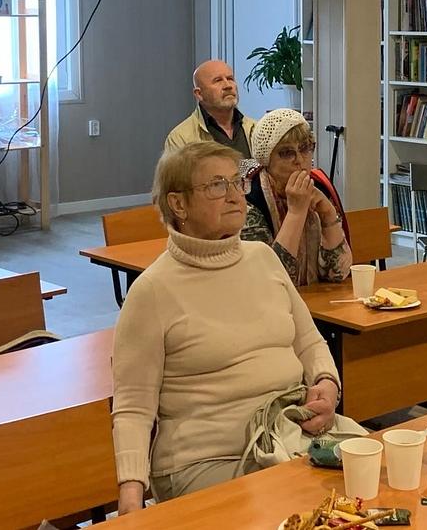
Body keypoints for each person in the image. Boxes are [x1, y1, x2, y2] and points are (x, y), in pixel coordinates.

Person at [113, 142, 342, 513]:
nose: (236, 196)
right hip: (208, 459)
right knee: (304, 509)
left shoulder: (263, 258)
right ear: (178, 204)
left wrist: (327, 385)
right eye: (217, 185)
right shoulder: (153, 291)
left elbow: (310, 343)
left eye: (237, 182)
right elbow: (133, 408)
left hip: (289, 435)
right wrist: (131, 495)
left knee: (376, 487)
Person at [242, 108, 352, 286]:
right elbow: (272, 280)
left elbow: (339, 272)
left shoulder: (319, 187)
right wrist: (296, 213)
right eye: (287, 152)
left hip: (315, 299)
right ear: (267, 160)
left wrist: (327, 214)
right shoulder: (250, 200)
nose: (300, 160)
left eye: (305, 148)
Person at [163, 60, 257, 159]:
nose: (228, 86)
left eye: (230, 79)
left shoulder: (255, 129)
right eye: (218, 80)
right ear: (199, 94)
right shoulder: (181, 138)